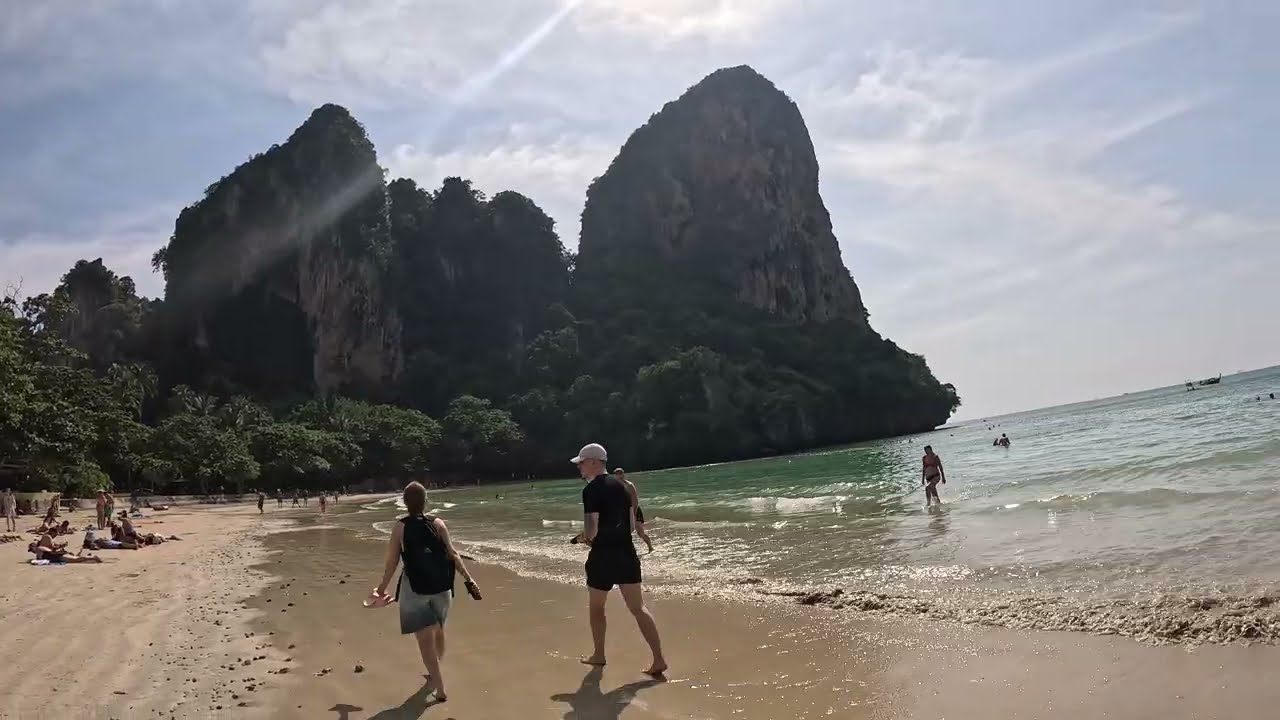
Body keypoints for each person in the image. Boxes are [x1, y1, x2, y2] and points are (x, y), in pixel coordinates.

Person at [368, 481, 480, 704]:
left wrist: (381, 589)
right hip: (442, 587)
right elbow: (453, 554)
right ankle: (434, 672)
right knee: (439, 631)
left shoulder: (400, 527)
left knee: (424, 641)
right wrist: (469, 579)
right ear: (426, 501)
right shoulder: (438, 523)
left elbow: (392, 563)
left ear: (404, 502)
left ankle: (439, 688)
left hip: (415, 589)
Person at [569, 444, 667, 676]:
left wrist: (584, 538)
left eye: (581, 463)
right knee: (638, 608)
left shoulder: (591, 490)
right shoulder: (623, 487)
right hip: (626, 552)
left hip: (602, 555)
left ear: (593, 461)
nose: (579, 468)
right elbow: (632, 526)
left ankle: (599, 655)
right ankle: (659, 659)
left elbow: (591, 531)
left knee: (596, 607)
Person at [613, 468, 654, 554]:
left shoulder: (629, 485)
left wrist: (634, 514)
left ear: (623, 474)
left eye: (620, 473)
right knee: (623, 532)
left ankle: (650, 547)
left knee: (640, 532)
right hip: (624, 511)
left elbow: (635, 500)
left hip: (634, 510)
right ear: (615, 475)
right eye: (617, 474)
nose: (619, 475)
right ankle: (626, 551)